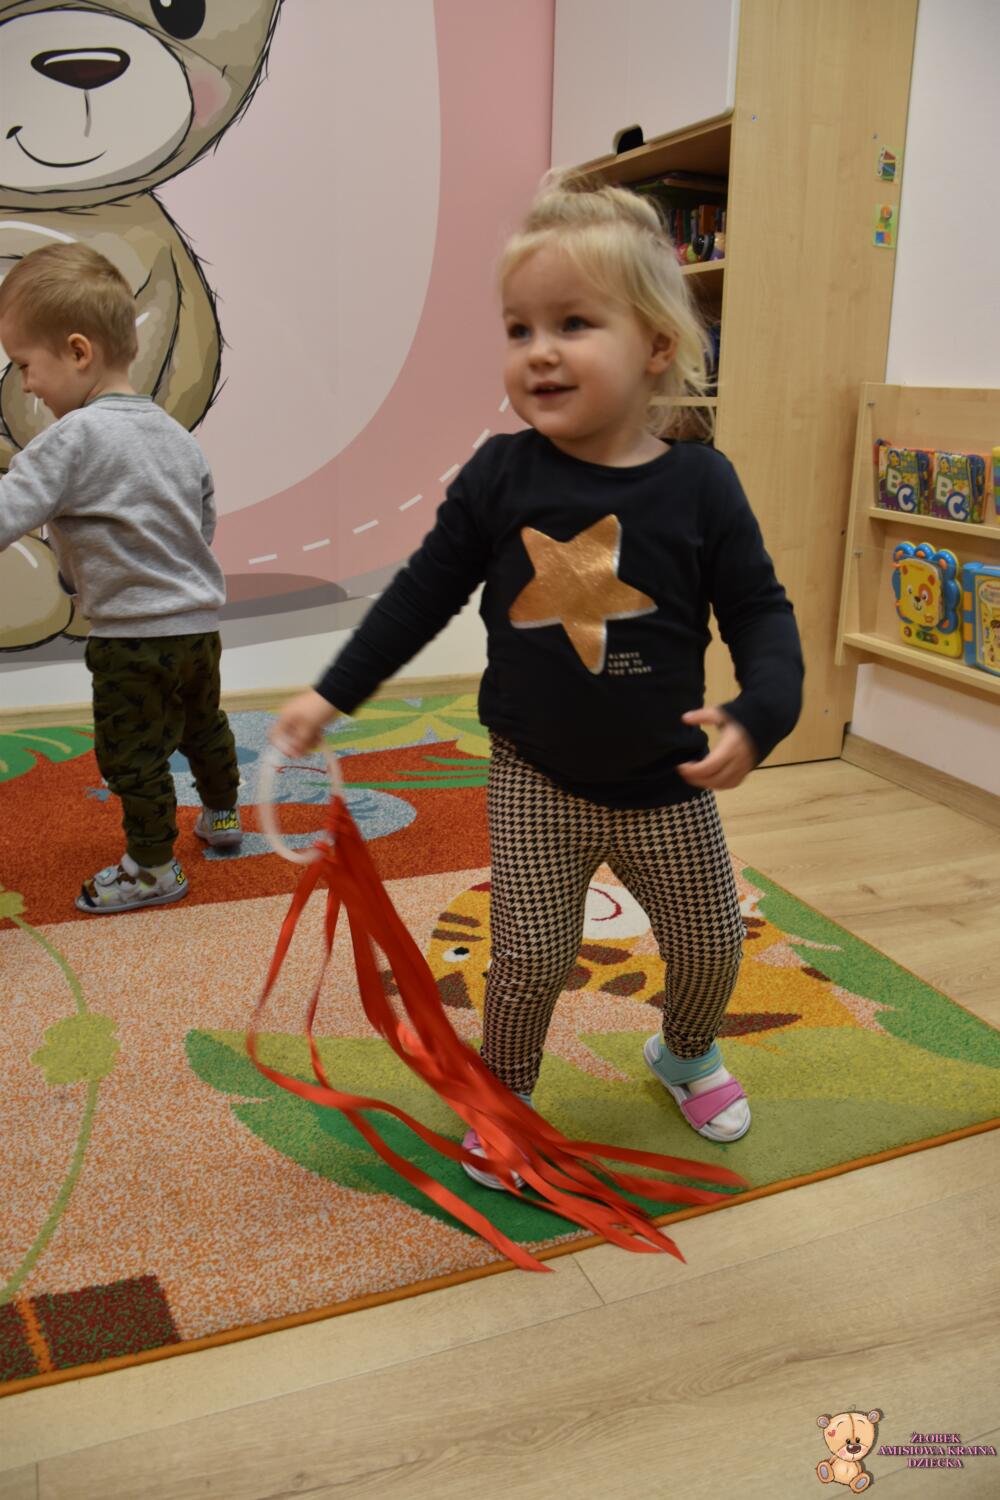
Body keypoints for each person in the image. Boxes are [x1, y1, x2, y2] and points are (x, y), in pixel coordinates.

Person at [273, 172, 804, 1184]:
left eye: (572, 323)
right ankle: (505, 1094)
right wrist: (333, 692)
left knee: (709, 946)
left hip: (667, 782)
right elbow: (418, 596)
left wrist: (762, 708)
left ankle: (684, 1053)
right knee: (528, 958)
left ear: (656, 345)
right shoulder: (499, 476)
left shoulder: (702, 484)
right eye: (519, 329)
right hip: (535, 777)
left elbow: (761, 614)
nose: (539, 351)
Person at [0, 243, 242, 914]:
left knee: (132, 753)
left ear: (78, 352)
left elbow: (9, 510)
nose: (25, 385)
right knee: (202, 725)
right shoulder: (177, 437)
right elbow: (202, 522)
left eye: (25, 364)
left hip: (131, 639)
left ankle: (153, 867)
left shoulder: (70, 440)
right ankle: (223, 813)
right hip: (197, 626)